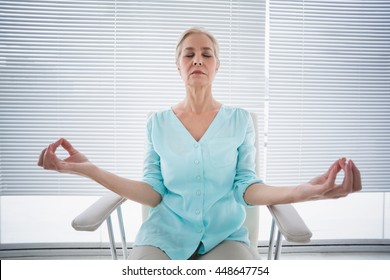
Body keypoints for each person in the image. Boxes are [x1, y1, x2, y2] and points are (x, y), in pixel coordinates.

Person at [37, 27, 362, 260]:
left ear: (217, 66)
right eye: (188, 54)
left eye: (207, 54)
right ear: (177, 65)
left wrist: (303, 191)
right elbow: (152, 191)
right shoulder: (157, 123)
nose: (197, 60)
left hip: (225, 237)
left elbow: (246, 187)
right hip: (163, 238)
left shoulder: (239, 121)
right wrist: (90, 170)